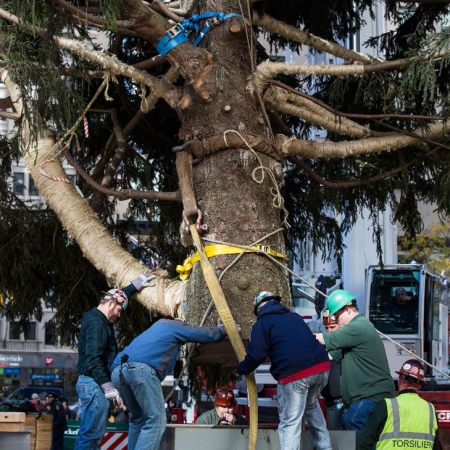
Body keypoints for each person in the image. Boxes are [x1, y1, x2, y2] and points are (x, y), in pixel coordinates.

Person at [110, 316, 227, 450]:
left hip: (117, 371)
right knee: (156, 421)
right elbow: (196, 333)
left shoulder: (153, 331)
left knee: (138, 418)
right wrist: (220, 331)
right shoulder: (173, 326)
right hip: (139, 370)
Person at [236, 291, 332, 450]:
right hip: (322, 367)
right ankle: (326, 447)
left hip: (296, 374)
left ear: (258, 310)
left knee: (290, 423)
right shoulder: (294, 317)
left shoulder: (262, 323)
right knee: (310, 405)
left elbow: (256, 355)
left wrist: (241, 369)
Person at [75, 271, 155, 450]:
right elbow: (93, 359)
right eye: (119, 310)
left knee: (90, 434)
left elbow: (119, 295)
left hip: (92, 384)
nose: (119, 315)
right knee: (91, 436)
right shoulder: (97, 324)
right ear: (111, 304)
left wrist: (134, 285)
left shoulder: (95, 317)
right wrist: (108, 388)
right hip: (94, 384)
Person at [315, 289, 395, 439]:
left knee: (351, 420)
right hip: (370, 396)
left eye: (338, 316)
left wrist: (298, 336)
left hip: (369, 396)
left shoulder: (357, 328)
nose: (337, 320)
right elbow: (330, 355)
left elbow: (322, 339)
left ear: (347, 310)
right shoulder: (359, 329)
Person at [357, 359, 439, 450]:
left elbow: (363, 443)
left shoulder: (386, 406)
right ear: (419, 385)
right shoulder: (430, 409)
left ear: (399, 380)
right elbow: (435, 447)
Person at [320, 309, 343, 430]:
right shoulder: (322, 345)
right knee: (336, 438)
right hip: (330, 400)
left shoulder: (348, 342)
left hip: (346, 400)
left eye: (332, 327)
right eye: (326, 327)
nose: (329, 331)